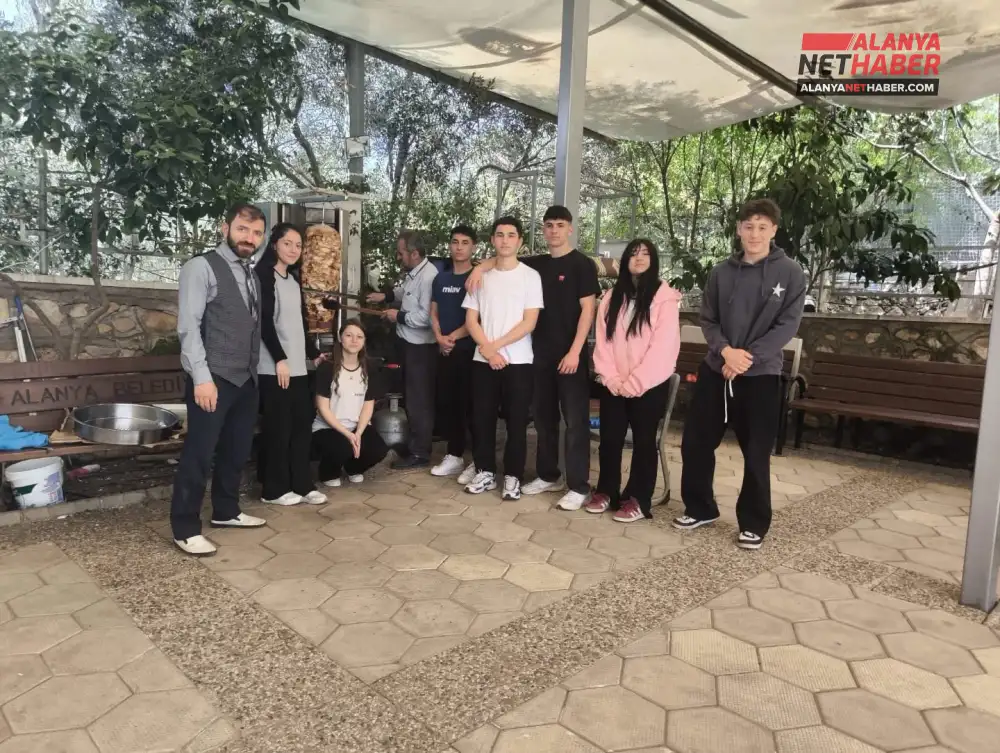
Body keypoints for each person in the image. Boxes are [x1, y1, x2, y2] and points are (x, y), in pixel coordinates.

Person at [674, 198, 806, 550]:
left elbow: (787, 324)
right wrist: (726, 352)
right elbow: (708, 319)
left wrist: (747, 358)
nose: (755, 234)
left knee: (756, 451)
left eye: (762, 227)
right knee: (696, 443)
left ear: (774, 230)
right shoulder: (721, 272)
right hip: (716, 369)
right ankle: (700, 507)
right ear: (739, 230)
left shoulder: (791, 273)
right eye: (749, 226)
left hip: (761, 376)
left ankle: (753, 522)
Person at [467, 205, 599, 511]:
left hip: (570, 356)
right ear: (543, 230)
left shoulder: (582, 265)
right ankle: (549, 475)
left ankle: (579, 486)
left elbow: (588, 311)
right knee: (544, 420)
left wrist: (575, 351)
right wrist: (478, 268)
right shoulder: (536, 264)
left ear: (570, 229)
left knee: (575, 422)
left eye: (560, 225)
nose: (554, 230)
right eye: (549, 225)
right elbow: (502, 257)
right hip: (539, 356)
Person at [170, 204, 269, 556]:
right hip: (213, 378)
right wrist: (201, 378)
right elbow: (188, 326)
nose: (249, 238)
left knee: (236, 450)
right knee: (199, 453)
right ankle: (185, 527)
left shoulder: (252, 274)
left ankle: (226, 511)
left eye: (257, 233)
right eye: (243, 229)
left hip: (245, 378)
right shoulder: (201, 267)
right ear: (224, 228)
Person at [589, 239, 681, 522]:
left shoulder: (665, 298)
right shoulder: (611, 297)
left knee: (644, 442)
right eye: (633, 253)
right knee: (610, 439)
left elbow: (663, 347)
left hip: (648, 385)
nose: (639, 258)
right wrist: (612, 378)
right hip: (614, 384)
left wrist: (635, 383)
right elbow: (603, 342)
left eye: (645, 254)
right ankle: (607, 491)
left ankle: (638, 499)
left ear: (654, 260)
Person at [462, 216, 544, 500]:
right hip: (483, 361)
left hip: (518, 361)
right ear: (492, 240)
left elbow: (529, 322)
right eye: (500, 235)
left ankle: (513, 477)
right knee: (481, 419)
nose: (505, 240)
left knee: (516, 422)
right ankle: (485, 471)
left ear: (519, 241)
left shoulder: (530, 276)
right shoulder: (481, 276)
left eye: (511, 235)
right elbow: (471, 320)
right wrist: (487, 350)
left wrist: (494, 347)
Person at [255, 223, 327, 507]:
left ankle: (302, 484)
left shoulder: (293, 280)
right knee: (278, 429)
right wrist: (279, 359)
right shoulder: (263, 276)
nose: (294, 250)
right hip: (273, 368)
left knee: (301, 428)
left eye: (298, 245)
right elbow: (263, 322)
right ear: (274, 244)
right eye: (288, 243)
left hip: (297, 367)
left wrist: (313, 353)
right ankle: (273, 490)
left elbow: (299, 324)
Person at [367, 230, 438, 469]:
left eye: (401, 253)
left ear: (414, 254)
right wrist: (385, 296)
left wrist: (398, 316)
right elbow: (405, 293)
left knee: (419, 401)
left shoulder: (429, 277)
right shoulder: (414, 273)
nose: (398, 257)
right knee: (410, 397)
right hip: (407, 345)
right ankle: (414, 444)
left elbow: (427, 317)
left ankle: (420, 453)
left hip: (420, 349)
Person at [312, 319, 389, 486]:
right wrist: (347, 434)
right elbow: (323, 407)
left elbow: (368, 404)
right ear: (340, 338)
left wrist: (358, 432)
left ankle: (353, 468)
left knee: (379, 450)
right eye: (349, 335)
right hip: (328, 427)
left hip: (356, 425)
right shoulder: (327, 367)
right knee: (342, 446)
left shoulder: (369, 368)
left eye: (359, 337)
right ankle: (328, 473)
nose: (354, 340)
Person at [430, 225, 479, 484]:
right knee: (449, 405)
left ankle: (477, 462)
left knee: (471, 407)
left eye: (465, 242)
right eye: (455, 242)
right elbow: (434, 310)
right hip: (444, 350)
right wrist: (439, 336)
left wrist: (452, 338)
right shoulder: (441, 279)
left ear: (474, 247)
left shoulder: (477, 278)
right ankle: (454, 455)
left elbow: (477, 318)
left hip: (470, 352)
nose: (459, 247)